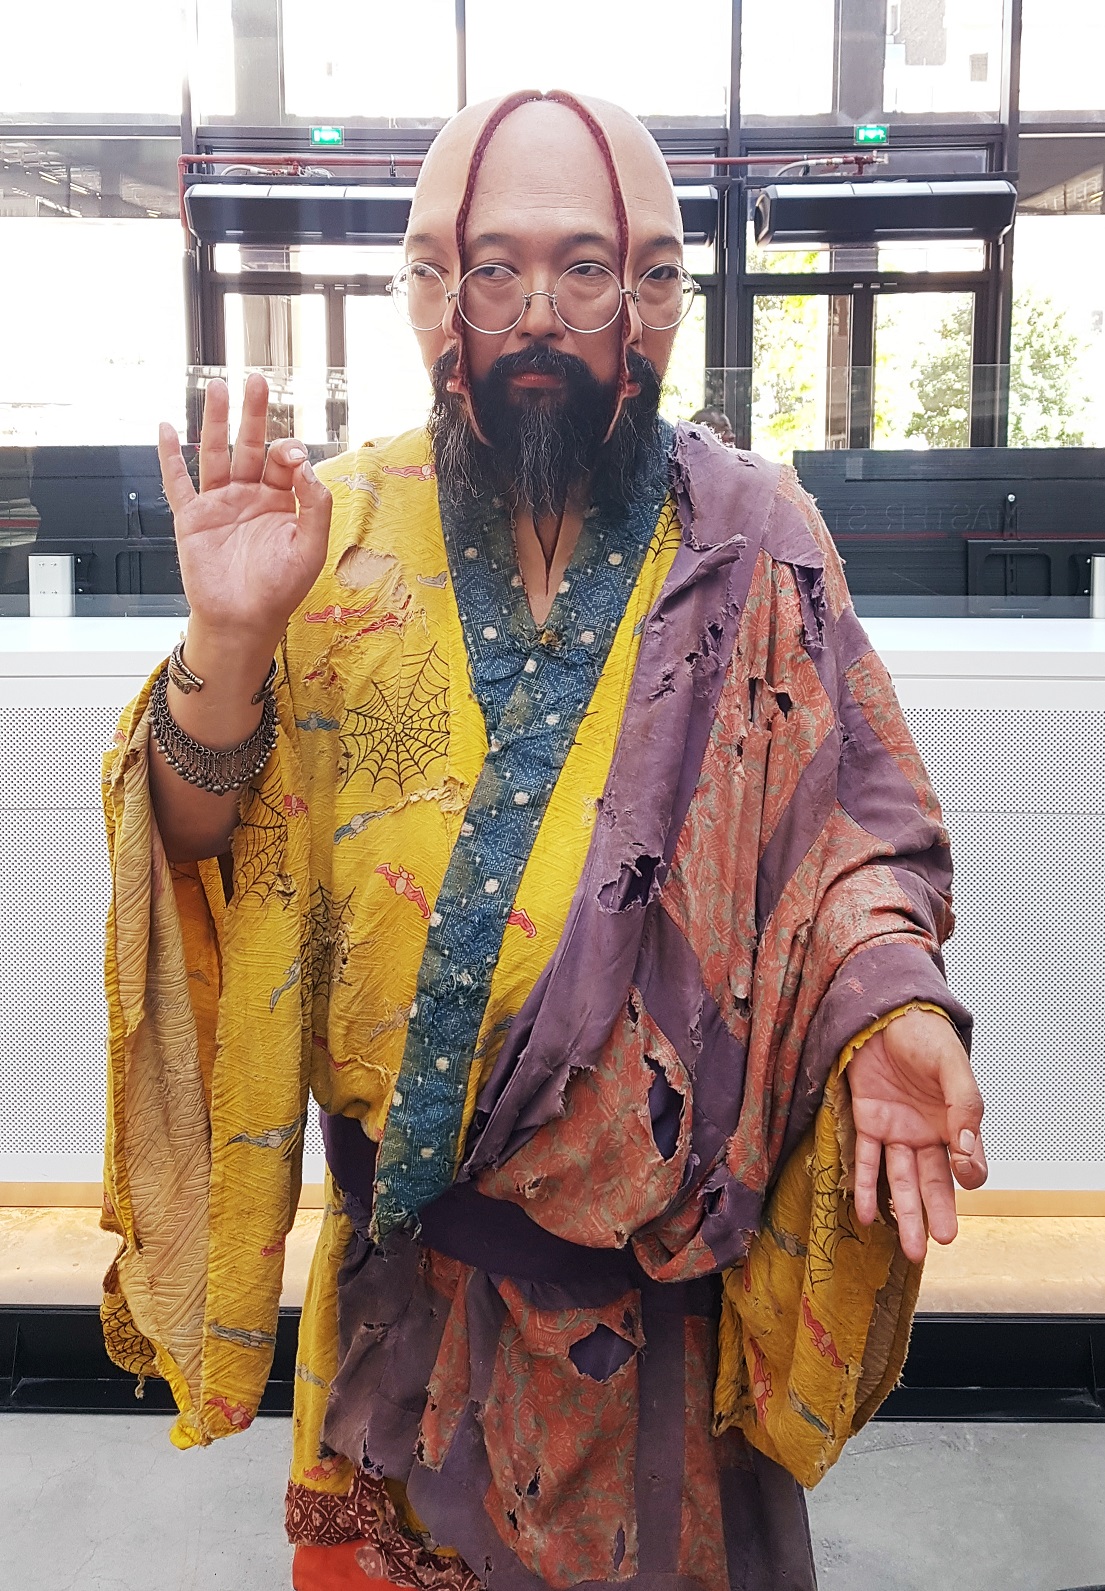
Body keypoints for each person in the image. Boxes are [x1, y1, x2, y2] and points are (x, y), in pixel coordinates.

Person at [101, 90, 987, 1591]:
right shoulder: (324, 530)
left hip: (663, 1325)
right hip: (407, 1306)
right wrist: (231, 643)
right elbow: (199, 852)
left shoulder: (756, 539)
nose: (536, 318)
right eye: (488, 269)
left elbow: (855, 837)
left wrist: (890, 1003)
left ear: (661, 295)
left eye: (587, 269)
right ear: (422, 291)